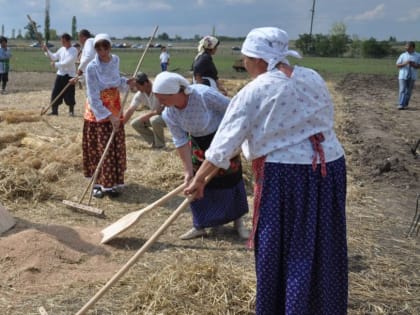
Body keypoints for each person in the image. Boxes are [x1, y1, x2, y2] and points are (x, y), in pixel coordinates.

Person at [184, 27, 348, 314]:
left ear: (258, 59)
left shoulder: (256, 89)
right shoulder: (312, 76)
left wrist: (199, 179)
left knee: (288, 249)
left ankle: (288, 307)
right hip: (330, 167)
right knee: (322, 243)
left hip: (288, 177)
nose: (245, 65)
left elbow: (225, 142)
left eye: (246, 59)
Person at [152, 71, 249, 240]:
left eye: (163, 98)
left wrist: (235, 139)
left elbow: (234, 109)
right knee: (195, 183)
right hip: (198, 144)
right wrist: (188, 171)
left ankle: (238, 222)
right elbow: (180, 140)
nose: (160, 103)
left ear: (178, 92)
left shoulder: (203, 95)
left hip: (222, 140)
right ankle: (200, 225)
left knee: (230, 179)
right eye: (158, 98)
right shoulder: (169, 113)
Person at [83, 33, 135, 198]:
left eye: (105, 47)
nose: (102, 50)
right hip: (98, 109)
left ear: (109, 47)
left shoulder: (115, 60)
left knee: (113, 147)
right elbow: (92, 96)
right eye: (98, 47)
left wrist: (127, 82)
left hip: (115, 107)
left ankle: (111, 184)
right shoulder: (91, 67)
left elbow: (116, 81)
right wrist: (108, 115)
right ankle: (98, 184)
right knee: (99, 148)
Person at [124, 72, 167, 148]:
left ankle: (160, 145)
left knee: (154, 120)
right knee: (134, 123)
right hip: (156, 115)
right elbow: (130, 110)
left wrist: (147, 116)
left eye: (138, 86)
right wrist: (120, 125)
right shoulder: (140, 94)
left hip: (168, 116)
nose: (137, 88)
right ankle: (154, 141)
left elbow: (159, 111)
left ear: (146, 83)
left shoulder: (158, 89)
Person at [43, 33, 78, 116]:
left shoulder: (73, 50)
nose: (62, 43)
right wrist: (46, 50)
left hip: (69, 75)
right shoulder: (62, 49)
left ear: (68, 41)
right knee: (55, 92)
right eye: (61, 41)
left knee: (70, 93)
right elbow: (54, 57)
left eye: (63, 41)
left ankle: (71, 111)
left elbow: (67, 62)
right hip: (60, 74)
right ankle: (55, 111)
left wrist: (55, 64)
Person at [396, 41, 419, 110]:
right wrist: (405, 63)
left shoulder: (418, 55)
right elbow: (397, 65)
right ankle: (400, 104)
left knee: (408, 91)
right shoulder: (402, 55)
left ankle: (405, 104)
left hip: (412, 76)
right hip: (402, 76)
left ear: (412, 47)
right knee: (402, 89)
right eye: (406, 46)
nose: (406, 48)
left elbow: (419, 66)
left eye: (408, 47)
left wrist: (414, 65)